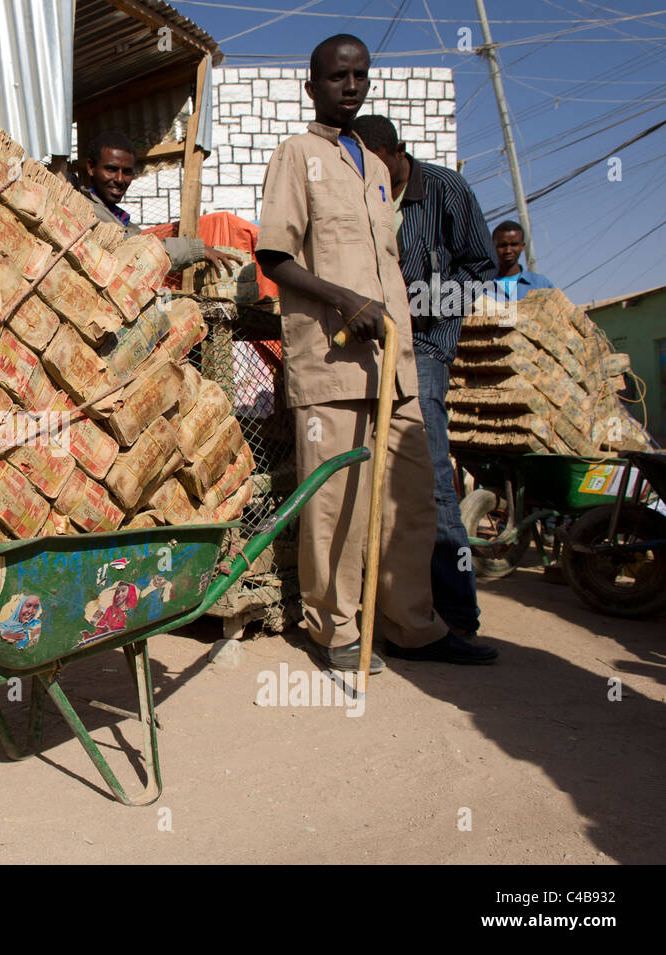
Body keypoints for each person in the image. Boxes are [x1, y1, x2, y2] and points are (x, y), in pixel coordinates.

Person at [254, 34, 498, 671]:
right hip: (332, 363)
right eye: (338, 76)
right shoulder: (296, 155)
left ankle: (412, 626)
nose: (352, 85)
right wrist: (346, 302)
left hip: (398, 362)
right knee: (338, 503)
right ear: (313, 87)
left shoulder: (376, 164)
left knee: (410, 500)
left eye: (361, 74)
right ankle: (332, 628)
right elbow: (274, 257)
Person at [351, 114, 497, 647]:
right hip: (371, 348)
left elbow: (482, 271)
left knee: (432, 480)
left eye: (376, 166)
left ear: (397, 153)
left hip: (427, 348)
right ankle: (394, 610)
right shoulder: (362, 192)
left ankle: (457, 618)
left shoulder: (444, 189)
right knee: (376, 483)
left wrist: (422, 303)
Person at [77, 130, 238, 271]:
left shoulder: (116, 216)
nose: (120, 179)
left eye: (127, 172)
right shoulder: (87, 211)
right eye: (111, 169)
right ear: (91, 168)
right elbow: (140, 253)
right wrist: (195, 249)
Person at [492, 220, 555, 301]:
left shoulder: (540, 284)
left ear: (522, 247)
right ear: (493, 247)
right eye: (502, 245)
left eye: (514, 245)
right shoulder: (480, 287)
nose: (508, 250)